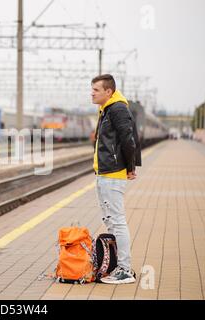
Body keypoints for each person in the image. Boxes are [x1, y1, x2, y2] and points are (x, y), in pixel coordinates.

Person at [91, 74, 141, 284]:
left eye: (96, 90)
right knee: (111, 222)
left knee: (117, 222)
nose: (92, 93)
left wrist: (130, 167)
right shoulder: (107, 109)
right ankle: (119, 266)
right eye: (91, 89)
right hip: (105, 174)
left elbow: (129, 140)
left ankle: (125, 269)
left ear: (108, 92)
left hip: (112, 175)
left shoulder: (117, 109)